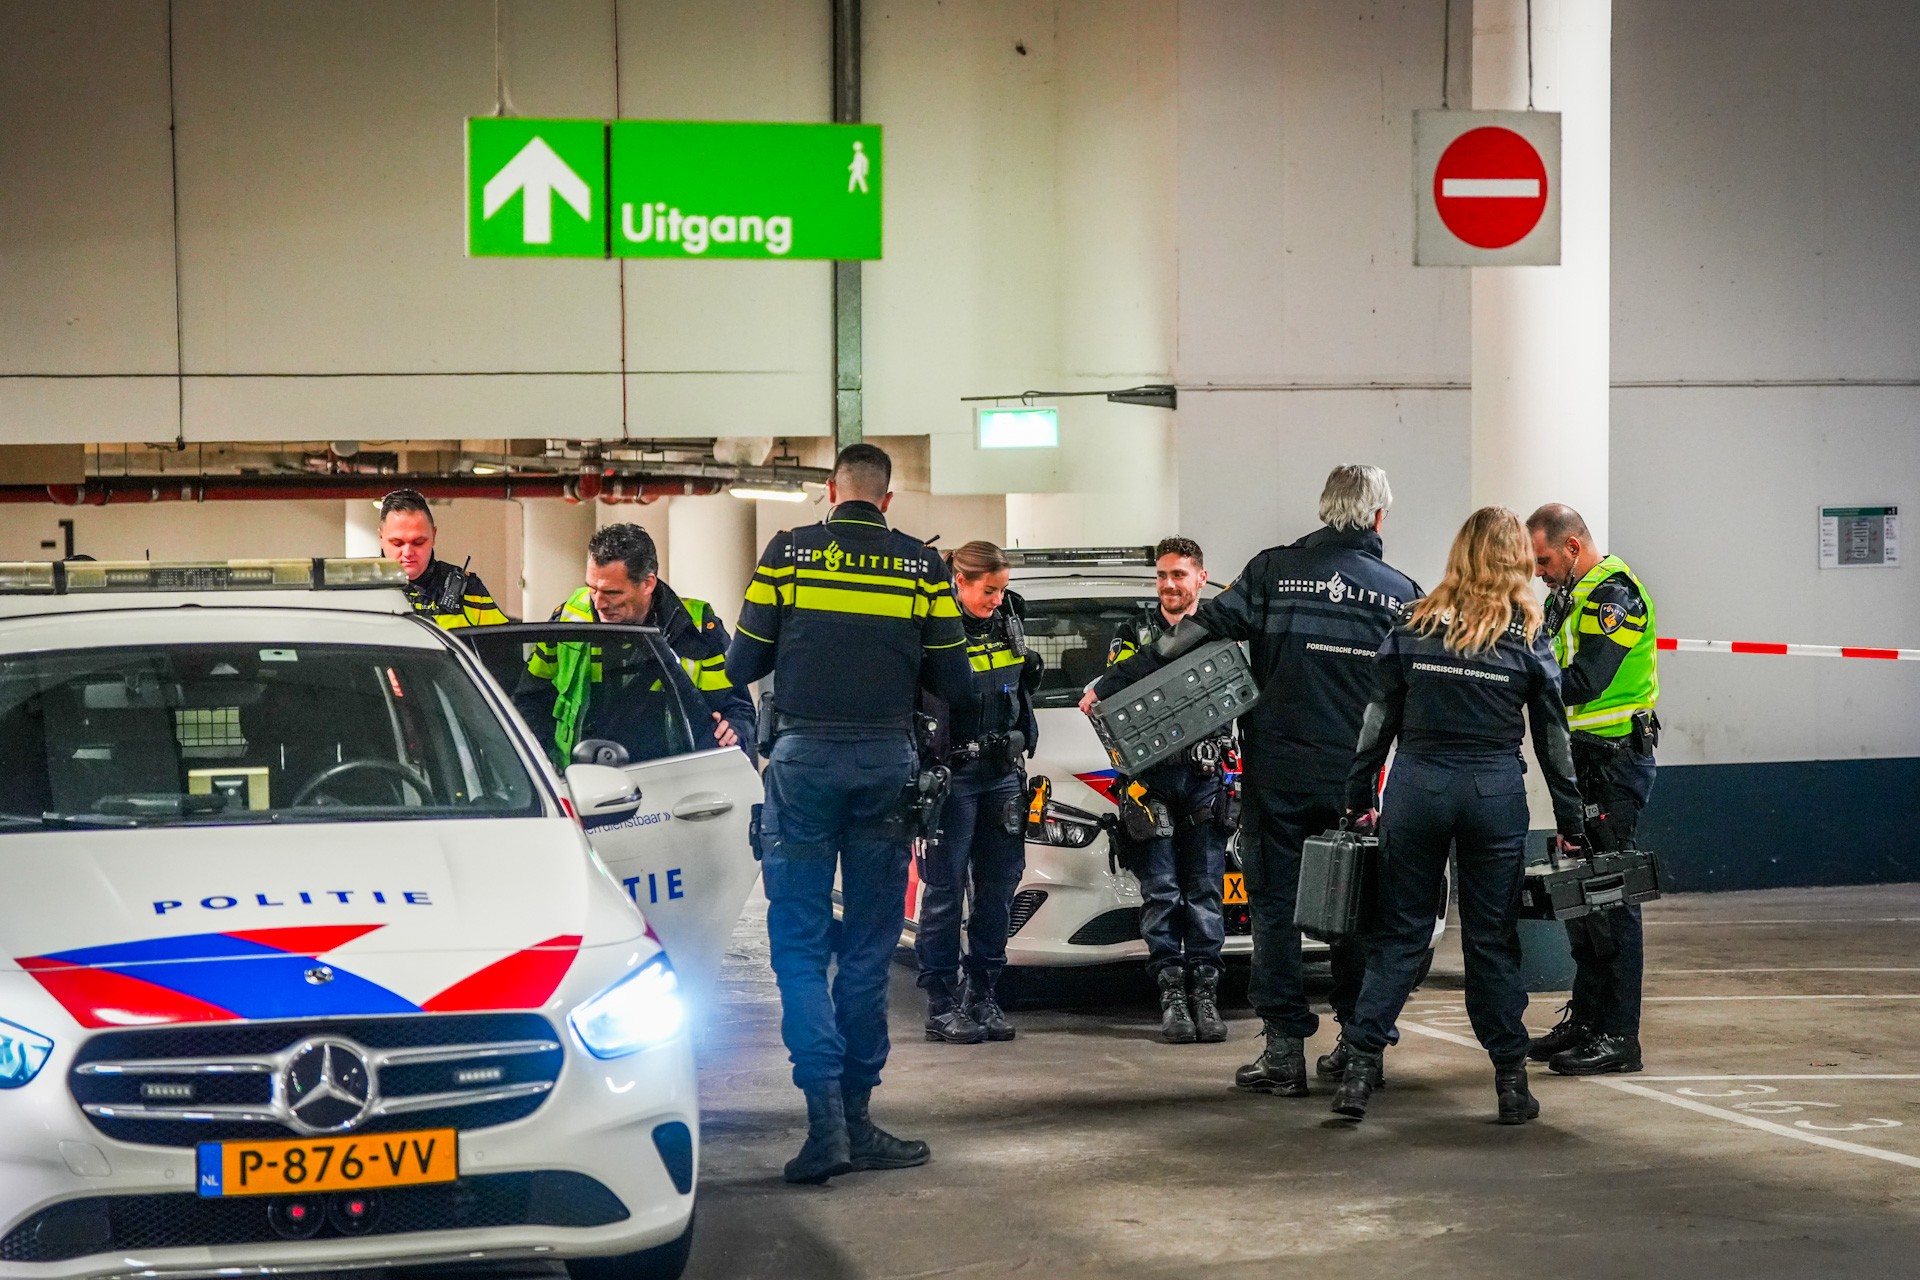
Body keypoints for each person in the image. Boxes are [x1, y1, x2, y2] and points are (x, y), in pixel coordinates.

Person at [1086, 466, 1420, 1096]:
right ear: (1378, 518)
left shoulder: (1271, 572)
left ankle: (1285, 1054)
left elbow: (1195, 631)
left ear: (1325, 511)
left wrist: (1115, 680)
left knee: (1274, 913)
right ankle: (1358, 1048)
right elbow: (1414, 689)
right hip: (1355, 786)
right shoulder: (1403, 593)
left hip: (1277, 778)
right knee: (1354, 912)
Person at [726, 443, 973, 1185]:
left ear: (831, 492)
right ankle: (860, 1120)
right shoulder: (922, 567)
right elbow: (954, 678)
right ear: (888, 501)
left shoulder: (789, 555)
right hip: (884, 769)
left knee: (799, 948)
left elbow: (742, 665)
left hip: (801, 767)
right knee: (867, 949)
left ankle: (825, 1124)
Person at [1332, 506, 1585, 1125]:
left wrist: (1358, 797)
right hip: (1493, 795)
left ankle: (1359, 1072)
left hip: (1417, 789)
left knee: (1399, 935)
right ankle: (1510, 1083)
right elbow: (1553, 740)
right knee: (1491, 942)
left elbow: (1375, 725)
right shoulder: (1527, 634)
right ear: (1515, 560)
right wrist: (1573, 822)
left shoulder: (1413, 625)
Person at [1524, 503, 1661, 1076]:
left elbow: (1586, 680)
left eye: (1545, 559)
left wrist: (1515, 677)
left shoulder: (1615, 597)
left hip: (1613, 762)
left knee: (1610, 897)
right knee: (1582, 895)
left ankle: (1618, 1036)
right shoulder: (1567, 596)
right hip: (1582, 763)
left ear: (1573, 547)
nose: (1539, 571)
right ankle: (1587, 1018)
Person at [1090, 537, 1235, 1044]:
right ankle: (1172, 996)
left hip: (1204, 780)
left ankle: (1206, 994)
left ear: (1201, 577)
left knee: (1204, 892)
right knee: (1162, 893)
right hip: (1148, 785)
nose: (1170, 584)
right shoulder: (1133, 633)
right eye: (1163, 576)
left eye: (1180, 574)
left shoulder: (1220, 632)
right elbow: (1123, 691)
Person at [914, 540, 1042, 1046]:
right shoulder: (934, 629)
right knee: (945, 893)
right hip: (954, 776)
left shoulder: (1009, 618)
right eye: (989, 590)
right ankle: (941, 1003)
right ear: (959, 582)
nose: (996, 599)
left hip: (1002, 774)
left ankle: (982, 994)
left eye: (1002, 589)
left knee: (997, 891)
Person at [519, 523, 752, 767]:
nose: (598, 603)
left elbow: (738, 708)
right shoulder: (570, 616)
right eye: (592, 588)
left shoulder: (696, 627)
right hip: (580, 780)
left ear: (648, 583)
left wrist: (735, 729)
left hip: (670, 781)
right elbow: (529, 700)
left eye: (612, 592)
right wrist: (543, 765)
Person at [376, 489, 509, 628]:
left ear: (434, 535)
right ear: (381, 537)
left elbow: (507, 646)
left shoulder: (468, 589)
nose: (408, 552)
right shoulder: (359, 589)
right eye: (397, 543)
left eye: (419, 542)